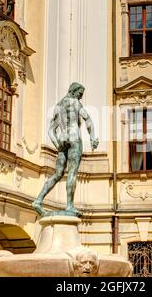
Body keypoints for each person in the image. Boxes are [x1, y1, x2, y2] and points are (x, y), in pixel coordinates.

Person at [32, 82, 99, 217]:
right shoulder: (76, 103)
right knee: (72, 173)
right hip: (74, 140)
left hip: (63, 141)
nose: (81, 97)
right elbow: (88, 120)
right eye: (80, 94)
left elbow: (51, 130)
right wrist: (92, 138)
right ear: (74, 91)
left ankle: (38, 201)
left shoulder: (59, 106)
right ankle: (70, 206)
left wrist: (58, 145)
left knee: (57, 174)